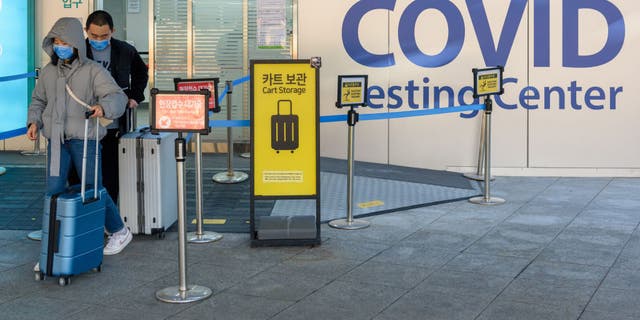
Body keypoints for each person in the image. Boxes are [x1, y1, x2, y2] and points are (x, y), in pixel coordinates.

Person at [27, 17, 133, 258]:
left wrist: (103, 108)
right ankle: (52, 248)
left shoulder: (93, 70)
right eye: (56, 41)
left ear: (75, 43)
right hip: (56, 140)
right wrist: (34, 120)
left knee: (91, 188)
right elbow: (39, 101)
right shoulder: (48, 72)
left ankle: (119, 230)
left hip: (85, 138)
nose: (59, 46)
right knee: (53, 191)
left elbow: (117, 96)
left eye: (64, 41)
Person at [73, 10, 149, 203]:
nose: (99, 39)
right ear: (86, 31)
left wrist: (135, 96)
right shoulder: (76, 50)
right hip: (82, 124)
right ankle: (84, 214)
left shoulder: (125, 50)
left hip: (113, 124)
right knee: (78, 173)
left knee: (110, 171)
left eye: (104, 36)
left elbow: (141, 73)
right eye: (94, 36)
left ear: (112, 31)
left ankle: (110, 214)